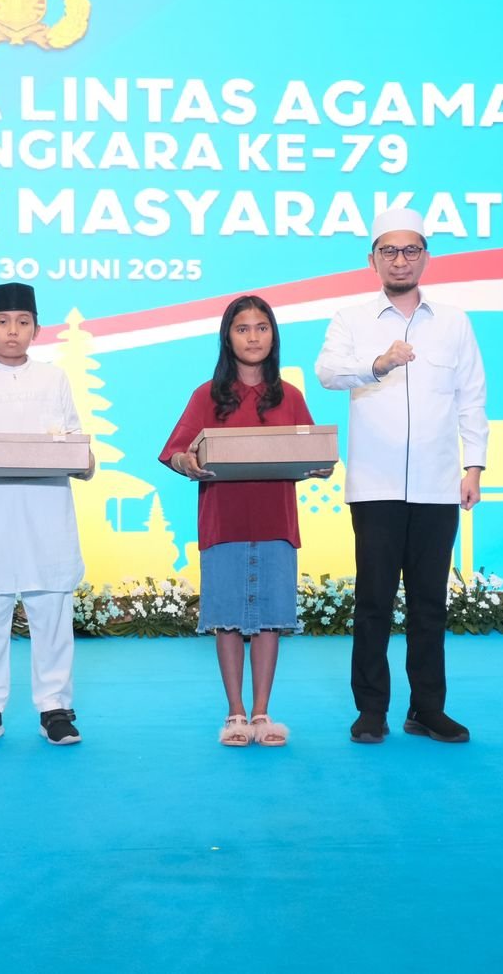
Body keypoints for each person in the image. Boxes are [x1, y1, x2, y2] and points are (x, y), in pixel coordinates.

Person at [316, 207, 487, 744]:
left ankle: (427, 709)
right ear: (371, 260)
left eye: (410, 249)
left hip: (438, 485)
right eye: (388, 250)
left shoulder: (454, 322)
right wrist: (378, 364)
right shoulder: (351, 319)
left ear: (426, 257)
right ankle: (371, 710)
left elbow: (472, 397)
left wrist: (474, 466)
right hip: (376, 485)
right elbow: (326, 372)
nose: (400, 260)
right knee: (373, 603)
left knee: (430, 605)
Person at [159, 295, 330, 747]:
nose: (253, 337)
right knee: (228, 620)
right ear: (227, 337)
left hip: (276, 522)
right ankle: (235, 713)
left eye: (261, 328)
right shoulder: (207, 395)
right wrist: (185, 462)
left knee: (271, 619)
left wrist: (321, 465)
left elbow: (313, 450)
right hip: (224, 522)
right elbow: (175, 451)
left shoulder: (290, 396)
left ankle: (262, 713)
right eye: (242, 329)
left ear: (273, 336)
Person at [0, 282, 93, 747]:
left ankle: (55, 708)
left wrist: (83, 458)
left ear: (37, 330)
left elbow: (75, 441)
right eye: (2, 322)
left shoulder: (54, 379)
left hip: (47, 515)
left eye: (23, 322)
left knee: (52, 615)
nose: (13, 331)